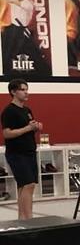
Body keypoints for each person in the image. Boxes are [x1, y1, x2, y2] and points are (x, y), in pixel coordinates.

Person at [1, 79, 41, 220]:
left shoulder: (27, 110)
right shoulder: (9, 111)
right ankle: (29, 218)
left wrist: (35, 127)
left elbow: (29, 127)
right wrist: (28, 128)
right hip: (17, 153)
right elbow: (7, 133)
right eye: (22, 90)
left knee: (24, 186)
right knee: (28, 184)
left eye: (26, 89)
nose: (26, 92)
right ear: (13, 92)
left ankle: (22, 218)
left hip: (30, 151)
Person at [0, 0, 50, 76]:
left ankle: (46, 72)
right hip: (12, 29)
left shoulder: (28, 3)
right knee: (8, 51)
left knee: (32, 51)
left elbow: (19, 4)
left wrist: (11, 0)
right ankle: (6, 71)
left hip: (22, 30)